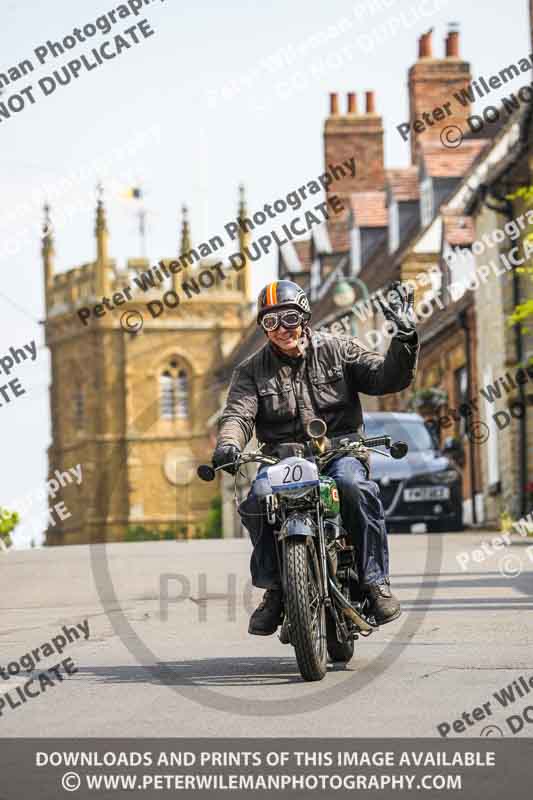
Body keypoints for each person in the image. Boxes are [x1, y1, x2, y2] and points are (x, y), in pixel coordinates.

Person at [213, 279, 418, 636]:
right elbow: (238, 415)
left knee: (353, 485)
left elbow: (386, 377)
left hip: (340, 451)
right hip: (282, 460)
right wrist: (228, 445)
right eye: (270, 322)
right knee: (257, 499)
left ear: (304, 317)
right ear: (263, 327)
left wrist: (404, 337)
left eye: (289, 318)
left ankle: (374, 581)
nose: (281, 330)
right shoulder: (250, 371)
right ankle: (276, 589)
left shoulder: (339, 349)